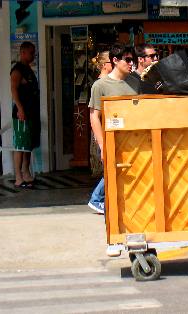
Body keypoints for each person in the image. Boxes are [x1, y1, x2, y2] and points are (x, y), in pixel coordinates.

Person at [88, 44, 137, 257]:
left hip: (136, 145)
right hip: (113, 144)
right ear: (115, 60)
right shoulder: (100, 85)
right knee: (112, 193)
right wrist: (102, 145)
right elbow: (93, 116)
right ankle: (113, 238)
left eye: (133, 59)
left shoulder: (136, 82)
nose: (131, 63)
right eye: (127, 59)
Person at [10, 41, 40, 188]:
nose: (33, 55)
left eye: (33, 52)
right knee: (20, 146)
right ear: (23, 52)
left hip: (32, 113)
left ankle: (26, 173)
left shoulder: (28, 69)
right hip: (22, 114)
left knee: (28, 145)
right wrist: (20, 109)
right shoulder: (17, 69)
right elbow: (14, 90)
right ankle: (18, 177)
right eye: (31, 52)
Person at [87, 50, 113, 214]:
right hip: (102, 131)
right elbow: (94, 114)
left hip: (105, 130)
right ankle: (96, 199)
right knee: (110, 168)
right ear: (105, 65)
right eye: (112, 62)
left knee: (109, 168)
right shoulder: (100, 84)